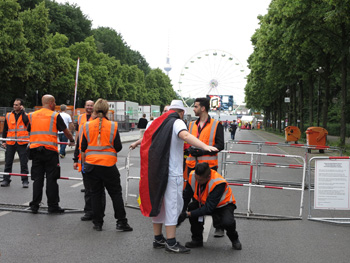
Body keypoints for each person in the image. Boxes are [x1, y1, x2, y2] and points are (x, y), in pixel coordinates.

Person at [138, 100, 218, 254]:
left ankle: (158, 238)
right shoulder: (176, 122)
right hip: (171, 173)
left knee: (158, 204)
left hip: (154, 172)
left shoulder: (154, 123)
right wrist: (204, 146)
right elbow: (185, 135)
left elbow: (146, 141)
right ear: (181, 112)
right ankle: (171, 242)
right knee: (172, 206)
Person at [81, 98, 132, 232]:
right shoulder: (113, 126)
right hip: (108, 165)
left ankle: (97, 223)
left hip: (92, 165)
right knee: (115, 194)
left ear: (94, 110)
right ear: (107, 110)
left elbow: (83, 146)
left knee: (96, 194)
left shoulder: (86, 125)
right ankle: (121, 222)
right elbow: (118, 147)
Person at [178, 162, 242, 250]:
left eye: (200, 180)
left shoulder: (218, 183)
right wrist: (181, 212)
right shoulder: (192, 176)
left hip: (223, 205)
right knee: (192, 207)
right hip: (203, 202)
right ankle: (197, 240)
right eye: (196, 178)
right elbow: (186, 196)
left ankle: (235, 239)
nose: (197, 181)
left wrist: (187, 214)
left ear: (208, 177)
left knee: (227, 222)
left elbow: (208, 208)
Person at [185, 97, 225, 238]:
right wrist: (189, 150)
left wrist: (204, 151)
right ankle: (197, 229)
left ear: (203, 108)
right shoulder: (190, 125)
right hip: (192, 166)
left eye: (195, 106)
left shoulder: (216, 124)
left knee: (212, 197)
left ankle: (219, 226)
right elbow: (187, 142)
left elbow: (220, 145)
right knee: (195, 198)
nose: (193, 109)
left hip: (209, 167)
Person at [28, 95, 75, 214]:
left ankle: (34, 205)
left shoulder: (32, 115)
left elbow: (29, 129)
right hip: (50, 152)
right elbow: (65, 131)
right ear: (51, 103)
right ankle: (53, 206)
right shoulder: (54, 115)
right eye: (54, 103)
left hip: (35, 150)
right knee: (52, 179)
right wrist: (72, 140)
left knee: (37, 179)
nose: (55, 105)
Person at [73, 100, 106, 221]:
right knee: (88, 189)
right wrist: (75, 158)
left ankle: (98, 213)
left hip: (98, 160)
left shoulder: (103, 122)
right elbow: (79, 141)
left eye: (91, 106)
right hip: (85, 159)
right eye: (87, 105)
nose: (89, 108)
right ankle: (89, 211)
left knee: (98, 189)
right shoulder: (82, 119)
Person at [1, 98, 30, 188]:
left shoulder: (26, 115)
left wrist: (23, 112)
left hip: (22, 142)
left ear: (21, 106)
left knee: (23, 163)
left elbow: (26, 122)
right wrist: (4, 141)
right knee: (8, 162)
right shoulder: (9, 115)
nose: (14, 106)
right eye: (14, 104)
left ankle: (25, 181)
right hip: (11, 142)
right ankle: (6, 180)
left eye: (17, 105)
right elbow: (5, 129)